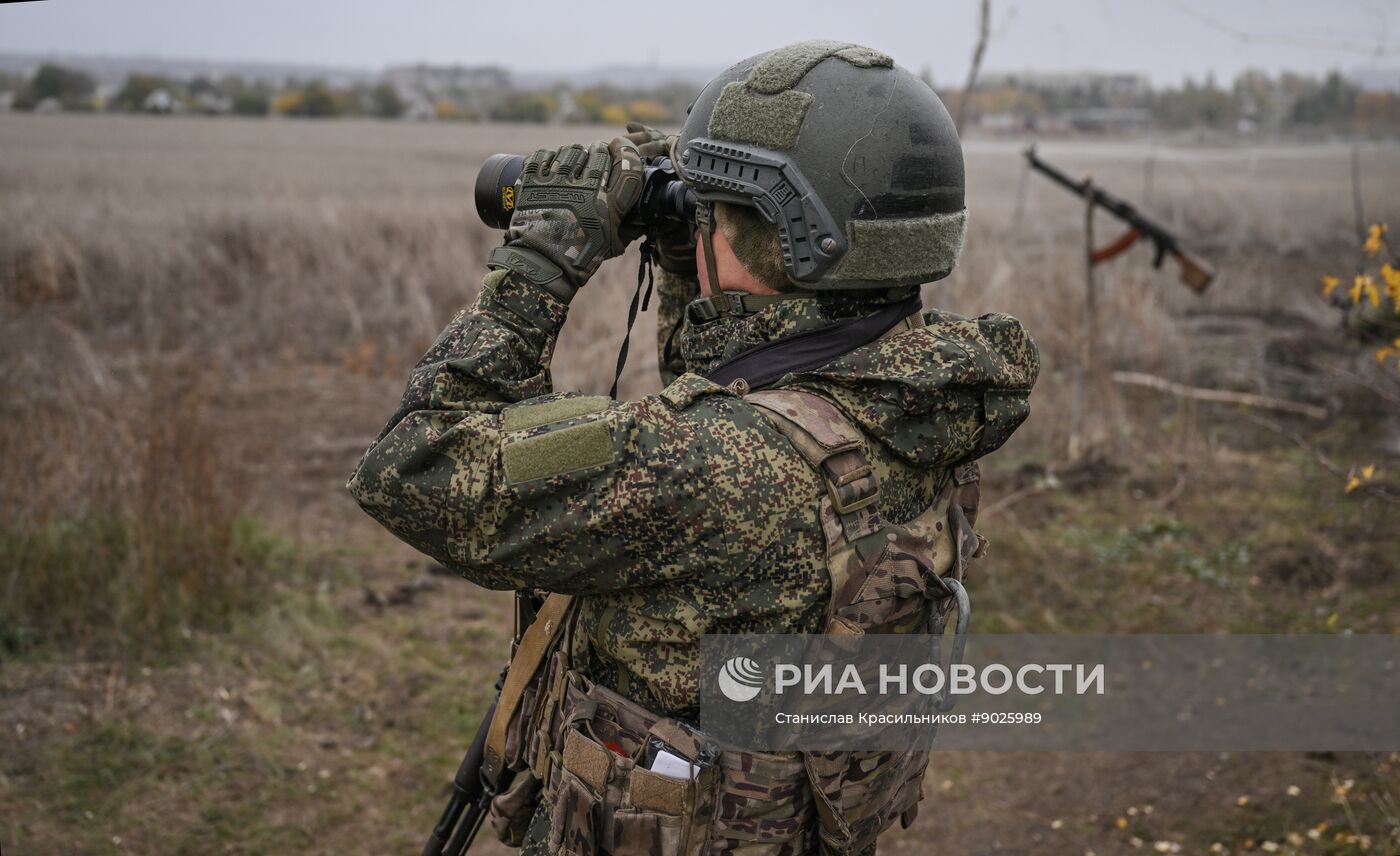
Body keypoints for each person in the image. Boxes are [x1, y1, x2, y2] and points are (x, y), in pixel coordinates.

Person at [349, 40, 1039, 855]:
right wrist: (691, 253)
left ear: (790, 229)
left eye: (709, 211)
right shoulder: (918, 393)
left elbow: (413, 467)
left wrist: (541, 259)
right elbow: (744, 393)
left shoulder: (707, 468)